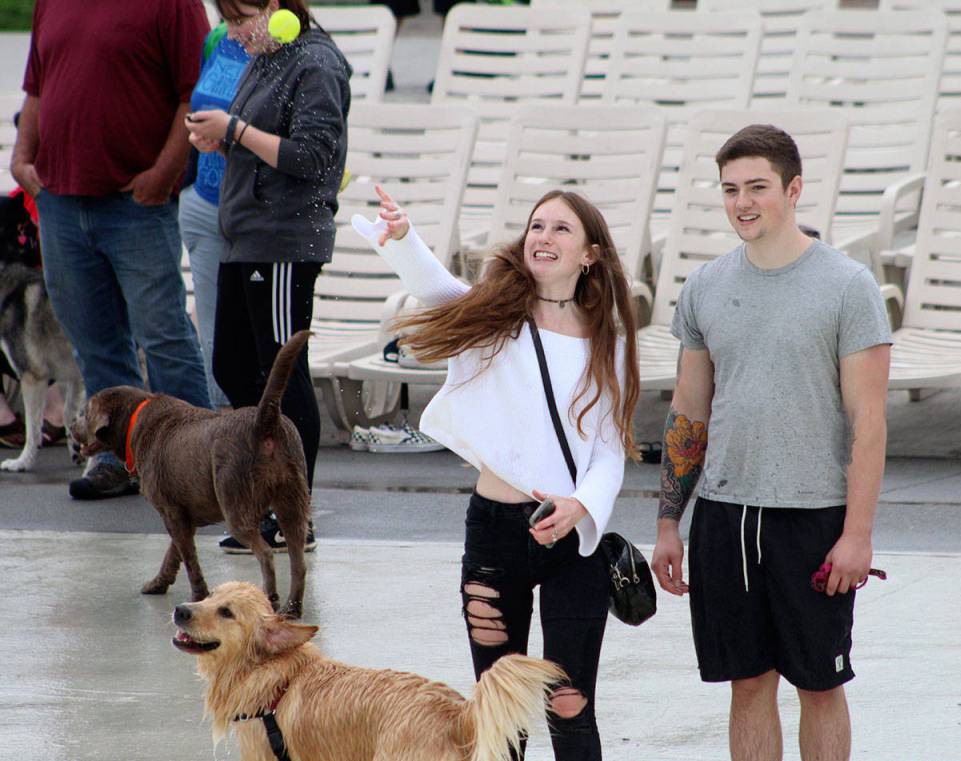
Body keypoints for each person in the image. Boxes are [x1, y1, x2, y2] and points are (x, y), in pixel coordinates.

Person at [357, 184, 640, 760]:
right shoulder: (493, 316)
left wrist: (580, 507)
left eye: (562, 229)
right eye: (537, 226)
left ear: (589, 254)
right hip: (494, 535)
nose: (544, 237)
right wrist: (405, 238)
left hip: (572, 542)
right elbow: (438, 291)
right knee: (499, 708)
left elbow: (611, 452)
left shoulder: (606, 341)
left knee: (570, 703)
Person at [652, 124, 892, 761]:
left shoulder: (847, 287)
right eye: (730, 189)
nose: (742, 202)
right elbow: (688, 414)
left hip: (814, 518)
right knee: (747, 683)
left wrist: (858, 534)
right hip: (726, 517)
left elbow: (869, 424)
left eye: (757, 187)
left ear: (794, 189)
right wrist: (670, 523)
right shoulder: (704, 287)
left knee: (820, 685)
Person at [11, 0, 213, 500]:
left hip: (135, 203)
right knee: (94, 341)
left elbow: (196, 95)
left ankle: (196, 463)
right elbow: (37, 85)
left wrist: (163, 174)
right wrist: (20, 158)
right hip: (60, 200)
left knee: (162, 334)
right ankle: (116, 457)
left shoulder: (174, 5)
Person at [185, 0, 352, 554]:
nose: (235, 34)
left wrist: (234, 128)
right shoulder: (268, 54)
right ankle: (267, 493)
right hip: (246, 234)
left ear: (277, 7)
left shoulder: (316, 63)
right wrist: (224, 137)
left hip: (283, 239)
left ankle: (296, 514)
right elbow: (258, 135)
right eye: (228, 22)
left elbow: (313, 155)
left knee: (282, 373)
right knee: (232, 363)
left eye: (241, 20)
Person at [178, 21, 250, 410]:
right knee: (214, 339)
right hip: (205, 201)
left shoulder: (300, 46)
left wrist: (231, 131)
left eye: (241, 14)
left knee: (251, 339)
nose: (235, 26)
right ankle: (219, 438)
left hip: (256, 213)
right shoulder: (218, 38)